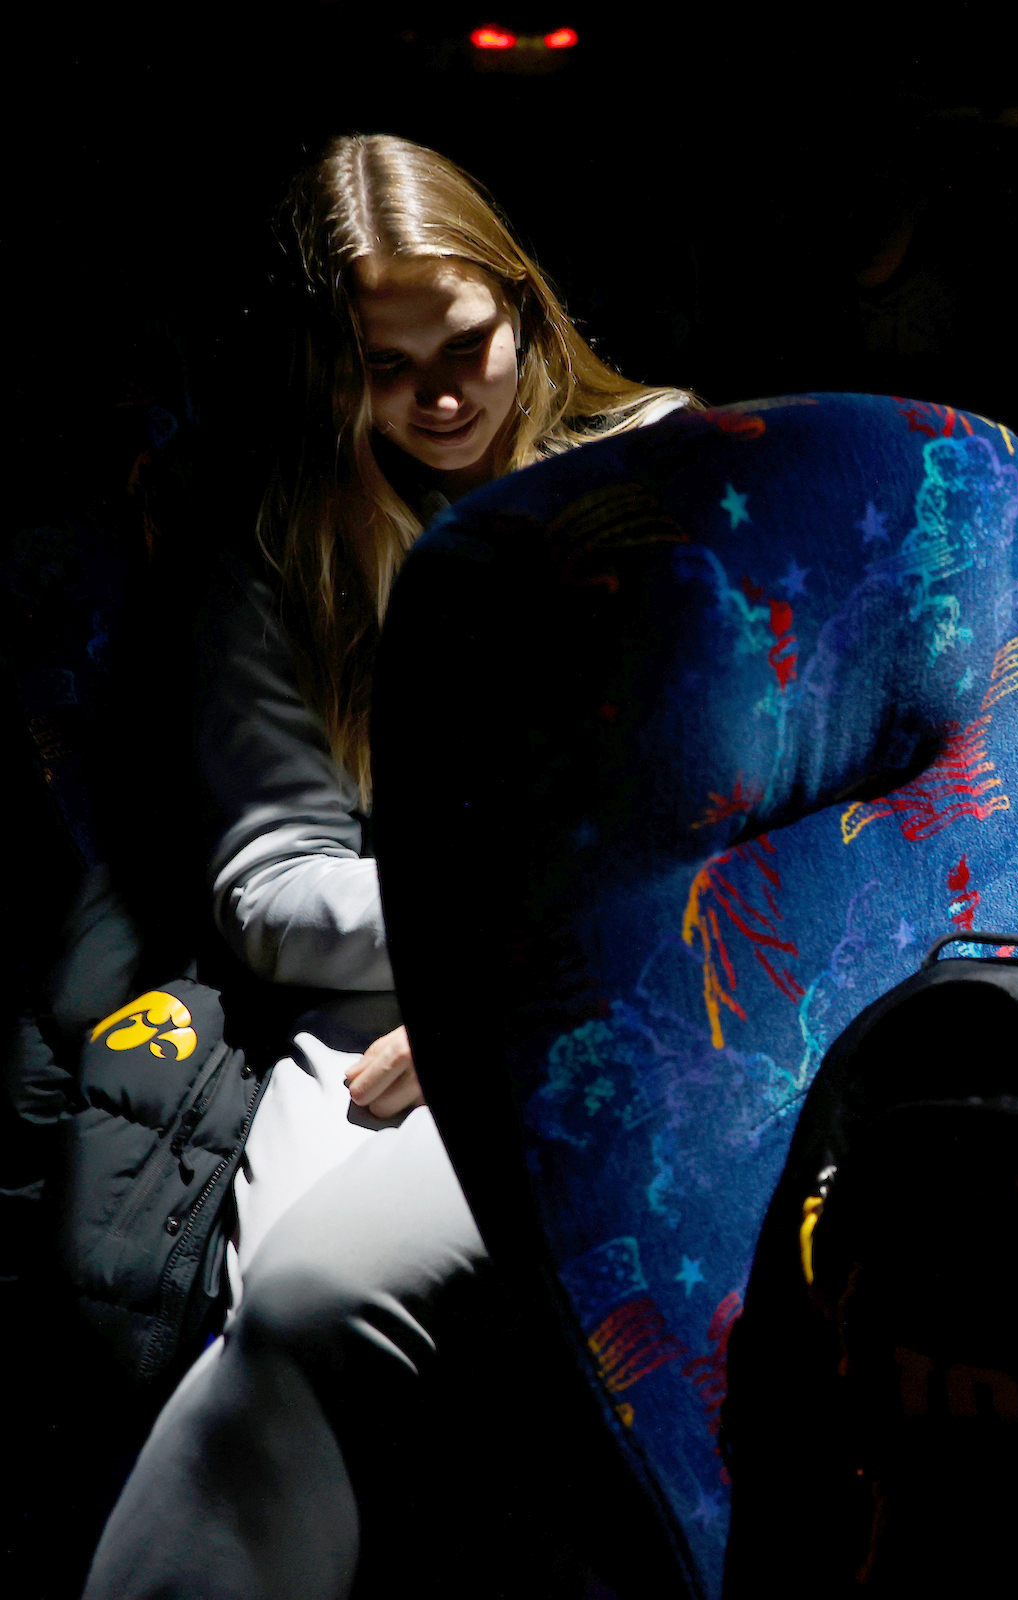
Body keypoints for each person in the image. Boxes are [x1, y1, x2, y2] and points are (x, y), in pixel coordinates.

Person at [84, 133, 691, 1600]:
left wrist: (521, 998)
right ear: (319, 368)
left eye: (466, 343)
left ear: (525, 310)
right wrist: (469, 962)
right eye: (382, 363)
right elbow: (276, 884)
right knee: (279, 1302)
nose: (440, 395)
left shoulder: (666, 474)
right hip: (387, 999)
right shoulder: (284, 550)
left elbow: (728, 818)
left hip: (662, 976)